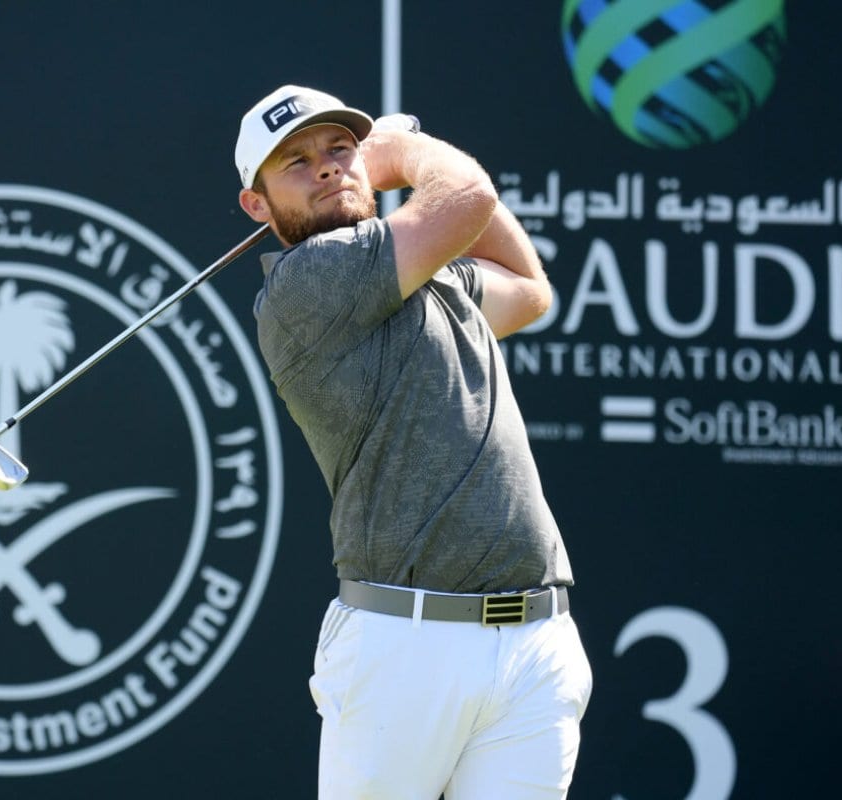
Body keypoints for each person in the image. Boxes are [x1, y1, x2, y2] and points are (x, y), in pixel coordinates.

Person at [234, 84, 593, 800]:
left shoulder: (426, 280)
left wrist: (394, 168)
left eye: (342, 149)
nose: (330, 167)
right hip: (406, 645)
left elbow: (529, 286)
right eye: (297, 163)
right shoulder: (307, 284)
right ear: (257, 205)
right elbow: (465, 198)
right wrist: (399, 154)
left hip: (534, 639)